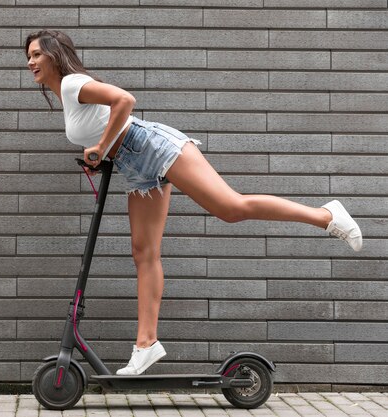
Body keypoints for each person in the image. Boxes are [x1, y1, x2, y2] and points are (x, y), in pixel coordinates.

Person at [24, 29, 363, 376]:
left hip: (151, 146)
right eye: (29, 56)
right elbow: (103, 129)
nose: (31, 62)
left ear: (55, 55)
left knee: (231, 208)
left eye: (37, 54)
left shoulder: (71, 84)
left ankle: (325, 215)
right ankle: (146, 344)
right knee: (144, 252)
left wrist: (99, 147)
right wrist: (100, 155)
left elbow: (124, 100)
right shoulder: (66, 95)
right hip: (134, 164)